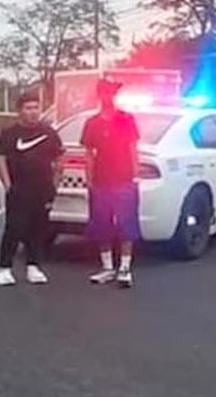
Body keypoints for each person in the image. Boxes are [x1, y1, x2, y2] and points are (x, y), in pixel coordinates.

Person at [0, 92, 63, 286]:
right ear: (20, 111)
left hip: (42, 189)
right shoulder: (10, 133)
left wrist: (54, 185)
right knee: (14, 228)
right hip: (18, 189)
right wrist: (8, 184)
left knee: (38, 229)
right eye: (28, 108)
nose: (33, 112)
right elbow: (0, 158)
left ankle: (34, 265)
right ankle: (4, 268)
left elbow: (59, 158)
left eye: (36, 107)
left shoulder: (49, 132)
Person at [82, 79, 141, 288]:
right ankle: (107, 267)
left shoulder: (126, 119)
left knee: (126, 223)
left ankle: (125, 267)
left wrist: (135, 174)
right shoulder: (92, 123)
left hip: (124, 179)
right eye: (104, 93)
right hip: (101, 180)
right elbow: (88, 153)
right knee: (101, 224)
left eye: (111, 93)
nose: (107, 97)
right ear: (99, 96)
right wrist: (89, 180)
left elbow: (133, 148)